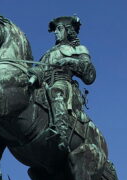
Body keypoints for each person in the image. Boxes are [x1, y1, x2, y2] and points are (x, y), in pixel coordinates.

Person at [31, 16, 95, 153]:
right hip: (44, 85)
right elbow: (40, 70)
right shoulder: (48, 53)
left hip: (64, 84)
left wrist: (69, 61)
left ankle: (62, 134)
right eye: (55, 30)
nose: (55, 32)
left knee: (56, 91)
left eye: (59, 29)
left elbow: (90, 75)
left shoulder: (78, 49)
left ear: (68, 31)